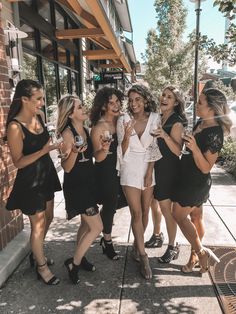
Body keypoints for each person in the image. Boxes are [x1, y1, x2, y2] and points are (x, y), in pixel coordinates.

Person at [5, 79, 61, 285]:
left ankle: (35, 253)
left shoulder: (40, 116)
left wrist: (55, 149)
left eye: (43, 98)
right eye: (38, 99)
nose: (42, 103)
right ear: (24, 99)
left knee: (49, 217)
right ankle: (41, 266)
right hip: (29, 181)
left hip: (46, 175)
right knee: (37, 225)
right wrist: (44, 151)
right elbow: (18, 162)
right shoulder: (14, 127)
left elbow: (46, 145)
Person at [172, 88, 232, 273]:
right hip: (186, 175)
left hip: (195, 181)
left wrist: (195, 148)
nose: (196, 104)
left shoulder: (215, 133)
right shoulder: (201, 122)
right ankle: (194, 258)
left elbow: (206, 167)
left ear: (211, 108)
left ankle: (200, 251)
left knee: (178, 215)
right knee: (196, 218)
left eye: (200, 102)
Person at [116, 84, 162, 279]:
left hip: (148, 168)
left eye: (138, 100)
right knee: (136, 212)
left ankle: (137, 245)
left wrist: (150, 172)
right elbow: (122, 149)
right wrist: (126, 135)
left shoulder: (155, 118)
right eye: (131, 100)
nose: (134, 104)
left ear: (145, 100)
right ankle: (144, 257)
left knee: (145, 212)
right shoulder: (123, 119)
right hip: (129, 168)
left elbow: (154, 147)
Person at [56, 95, 103, 284]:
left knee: (85, 225)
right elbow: (66, 168)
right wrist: (74, 152)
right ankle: (73, 264)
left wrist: (103, 148)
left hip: (89, 183)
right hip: (77, 186)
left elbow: (96, 158)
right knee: (97, 227)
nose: (84, 109)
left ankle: (79, 257)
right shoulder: (67, 134)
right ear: (70, 113)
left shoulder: (85, 129)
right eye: (79, 107)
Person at [147, 86, 186, 263]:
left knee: (165, 209)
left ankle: (173, 246)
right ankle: (157, 235)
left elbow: (178, 151)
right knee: (153, 205)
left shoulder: (176, 122)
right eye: (163, 95)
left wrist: (164, 135)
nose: (164, 98)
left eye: (169, 97)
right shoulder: (160, 118)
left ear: (176, 102)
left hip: (168, 170)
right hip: (156, 167)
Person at [90, 87, 124, 260]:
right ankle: (107, 241)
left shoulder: (121, 121)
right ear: (103, 106)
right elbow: (98, 157)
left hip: (122, 168)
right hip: (106, 170)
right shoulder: (98, 127)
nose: (116, 105)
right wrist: (104, 149)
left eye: (117, 101)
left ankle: (102, 225)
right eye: (111, 102)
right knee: (110, 204)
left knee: (118, 201)